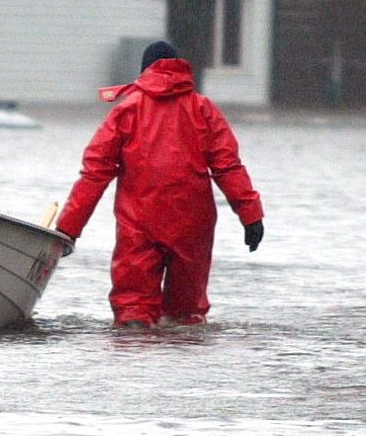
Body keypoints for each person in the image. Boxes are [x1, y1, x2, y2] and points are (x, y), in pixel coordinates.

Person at [53, 39, 263, 327]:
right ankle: (181, 368)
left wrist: (68, 229)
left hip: (138, 223)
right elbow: (228, 166)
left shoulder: (127, 111)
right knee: (185, 316)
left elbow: (94, 173)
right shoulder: (203, 110)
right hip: (192, 224)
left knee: (133, 311)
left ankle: (134, 365)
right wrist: (251, 216)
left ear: (143, 72)